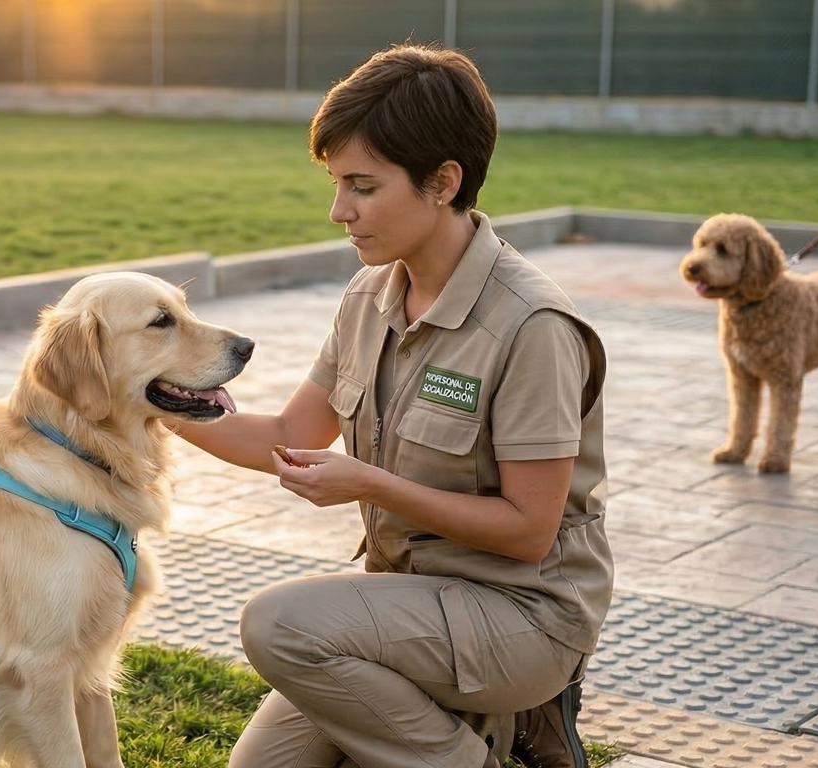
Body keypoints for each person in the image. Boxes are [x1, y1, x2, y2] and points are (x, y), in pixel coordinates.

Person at [169, 44, 613, 768]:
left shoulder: (531, 326)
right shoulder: (371, 296)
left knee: (279, 625)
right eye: (337, 182)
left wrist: (369, 483)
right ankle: (477, 727)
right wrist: (151, 403)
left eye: (361, 186)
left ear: (443, 182)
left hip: (524, 619)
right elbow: (287, 432)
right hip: (411, 604)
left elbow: (531, 532)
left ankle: (497, 735)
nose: (338, 209)